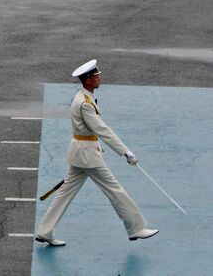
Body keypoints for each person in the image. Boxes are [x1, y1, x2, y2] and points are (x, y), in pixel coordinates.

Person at [35, 59, 158, 246]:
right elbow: (102, 129)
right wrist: (125, 152)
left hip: (80, 153)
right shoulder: (85, 103)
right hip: (88, 156)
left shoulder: (84, 97)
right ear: (87, 80)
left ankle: (45, 231)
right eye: (96, 76)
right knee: (115, 190)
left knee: (64, 194)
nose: (99, 78)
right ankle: (136, 228)